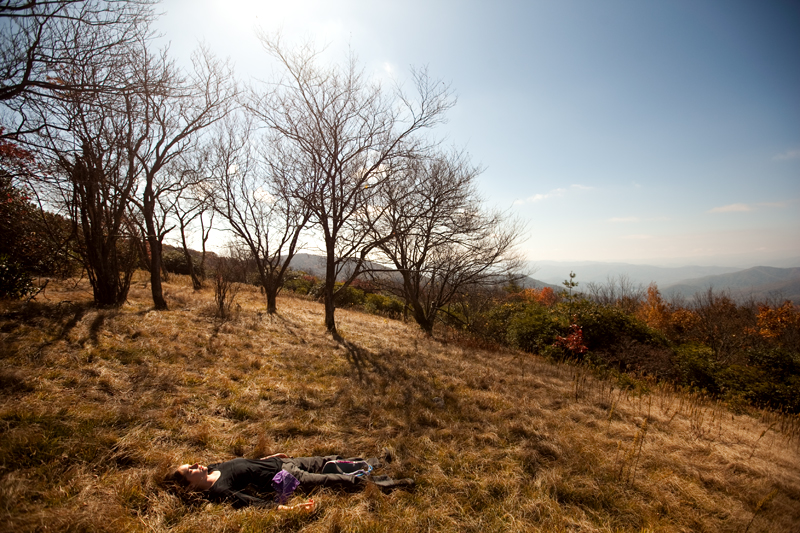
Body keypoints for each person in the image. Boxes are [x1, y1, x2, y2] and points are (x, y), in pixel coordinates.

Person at [168, 451, 413, 510]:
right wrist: (289, 509)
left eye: (191, 464)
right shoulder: (220, 491)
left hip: (283, 462)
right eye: (190, 471)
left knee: (329, 459)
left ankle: (377, 462)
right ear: (191, 486)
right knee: (337, 481)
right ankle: (391, 484)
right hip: (287, 478)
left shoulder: (213, 468)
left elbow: (247, 464)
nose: (195, 465)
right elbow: (255, 504)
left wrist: (271, 456)